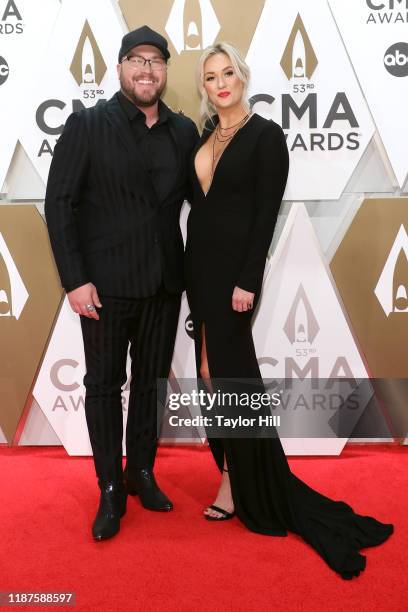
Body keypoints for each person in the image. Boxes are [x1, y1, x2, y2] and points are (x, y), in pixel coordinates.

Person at [184, 42, 393, 579]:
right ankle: (230, 473)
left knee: (233, 378)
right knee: (208, 375)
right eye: (211, 77)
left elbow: (264, 213)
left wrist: (247, 280)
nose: (221, 82)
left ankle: (245, 483)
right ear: (204, 87)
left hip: (232, 277)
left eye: (228, 72)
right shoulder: (206, 136)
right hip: (198, 272)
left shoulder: (266, 135)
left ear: (243, 75)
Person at [45, 26, 199, 541]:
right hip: (104, 289)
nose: (146, 70)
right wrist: (75, 280)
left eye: (156, 61)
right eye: (137, 59)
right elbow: (60, 204)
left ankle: (142, 473)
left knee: (151, 388)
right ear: (119, 67)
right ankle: (110, 488)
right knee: (104, 387)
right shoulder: (88, 125)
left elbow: (199, 210)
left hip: (162, 286)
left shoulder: (183, 132)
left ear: (165, 72)